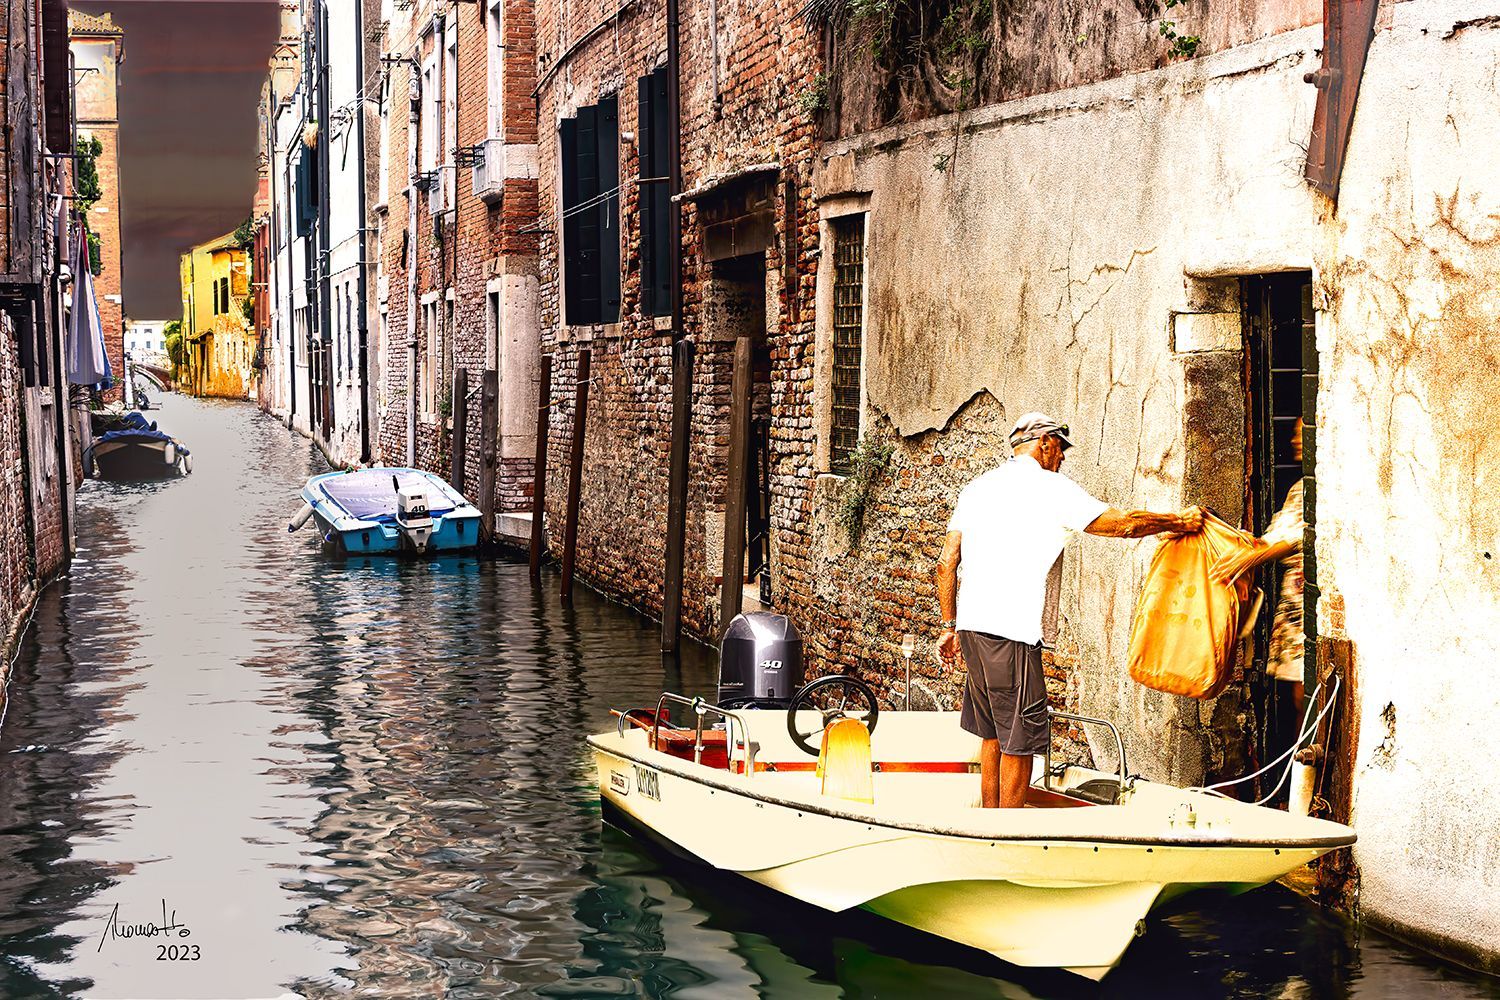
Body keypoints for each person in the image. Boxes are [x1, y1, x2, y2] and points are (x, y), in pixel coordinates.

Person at [935, 412, 1204, 809]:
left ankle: (988, 822)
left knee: (992, 732)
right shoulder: (1050, 488)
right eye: (1060, 449)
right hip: (1012, 632)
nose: (1061, 459)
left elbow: (946, 562)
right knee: (1019, 738)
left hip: (972, 628)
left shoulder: (977, 488)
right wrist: (1177, 521)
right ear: (1044, 442)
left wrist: (949, 625)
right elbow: (1121, 524)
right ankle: (1006, 833)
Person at [1211, 417, 1306, 785]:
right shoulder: (1300, 488)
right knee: (1297, 700)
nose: (1295, 439)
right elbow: (1272, 536)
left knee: (1308, 698)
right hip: (1294, 607)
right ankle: (1300, 785)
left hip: (1311, 610)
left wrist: (1250, 558)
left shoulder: (1328, 487)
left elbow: (1295, 537)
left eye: (1303, 433)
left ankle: (1309, 788)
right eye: (1295, 433)